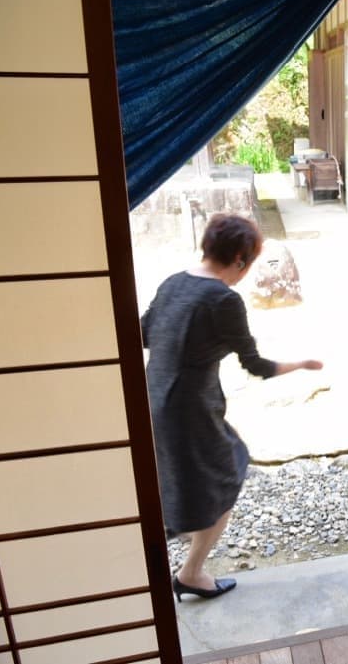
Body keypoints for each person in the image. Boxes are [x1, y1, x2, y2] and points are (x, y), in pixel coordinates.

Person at [141, 213, 323, 601]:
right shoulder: (223, 300)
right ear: (240, 259)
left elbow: (142, 333)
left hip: (154, 398)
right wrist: (302, 364)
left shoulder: (173, 283)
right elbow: (255, 366)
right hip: (190, 408)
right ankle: (190, 572)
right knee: (227, 470)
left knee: (174, 479)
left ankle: (174, 558)